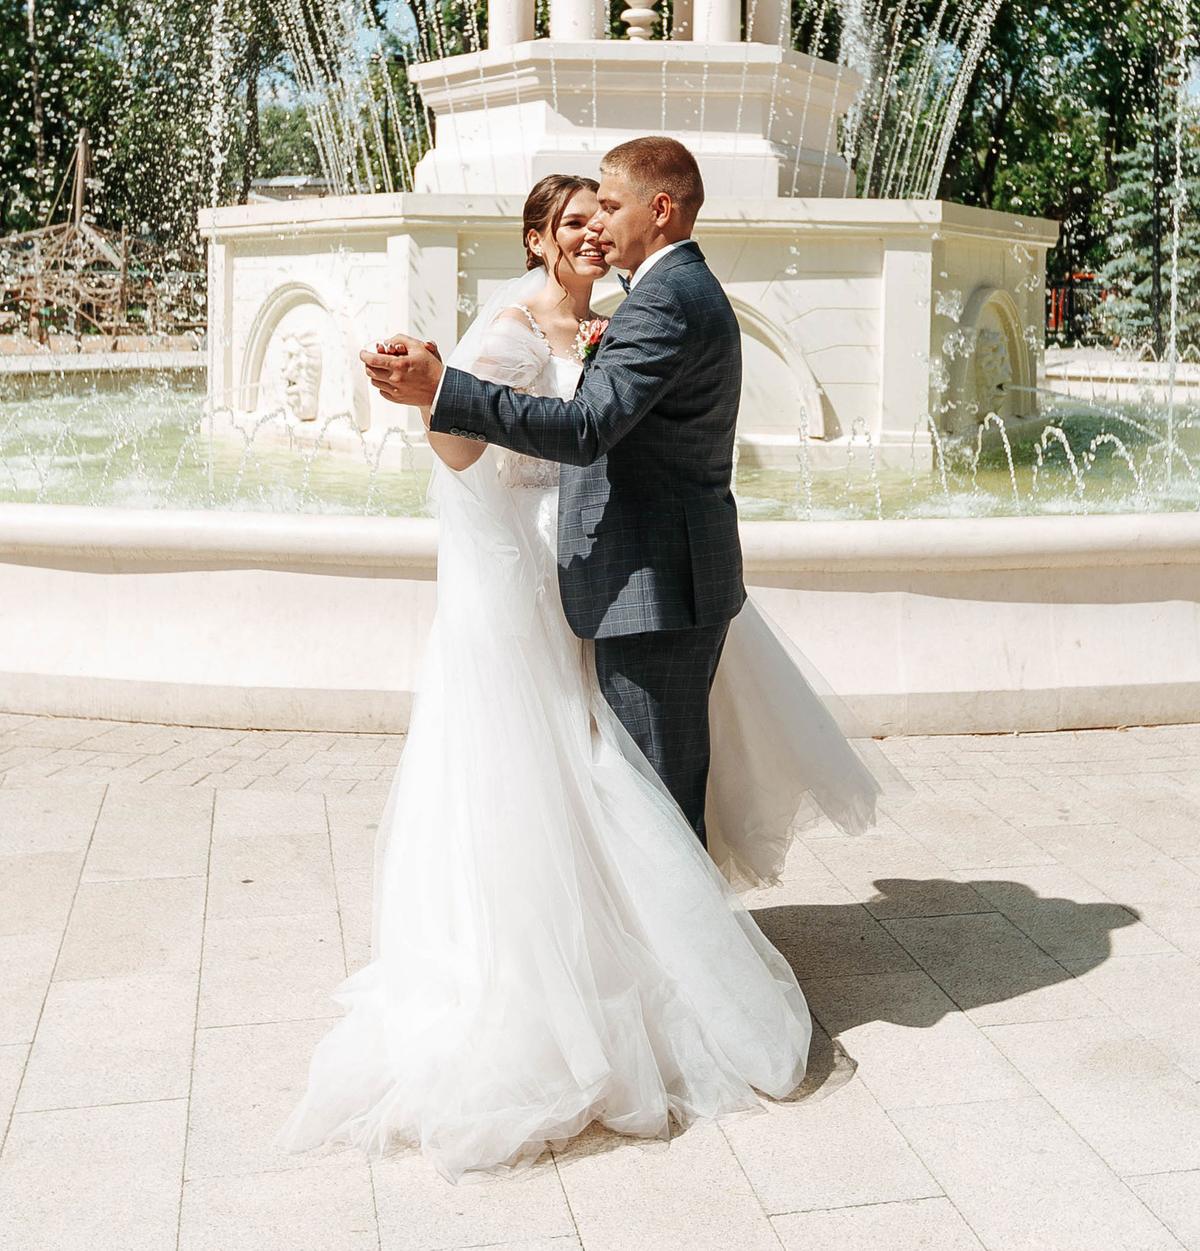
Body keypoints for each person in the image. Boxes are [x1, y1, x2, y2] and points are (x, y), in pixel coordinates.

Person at [282, 152, 879, 1178]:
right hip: (582, 574)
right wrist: (442, 394)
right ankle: (653, 975)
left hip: (632, 579)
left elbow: (593, 425)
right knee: (619, 790)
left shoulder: (655, 304)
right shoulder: (570, 315)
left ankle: (680, 988)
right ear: (535, 240)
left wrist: (447, 390)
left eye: (606, 205)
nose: (595, 224)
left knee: (642, 793)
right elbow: (482, 453)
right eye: (576, 215)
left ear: (658, 209)